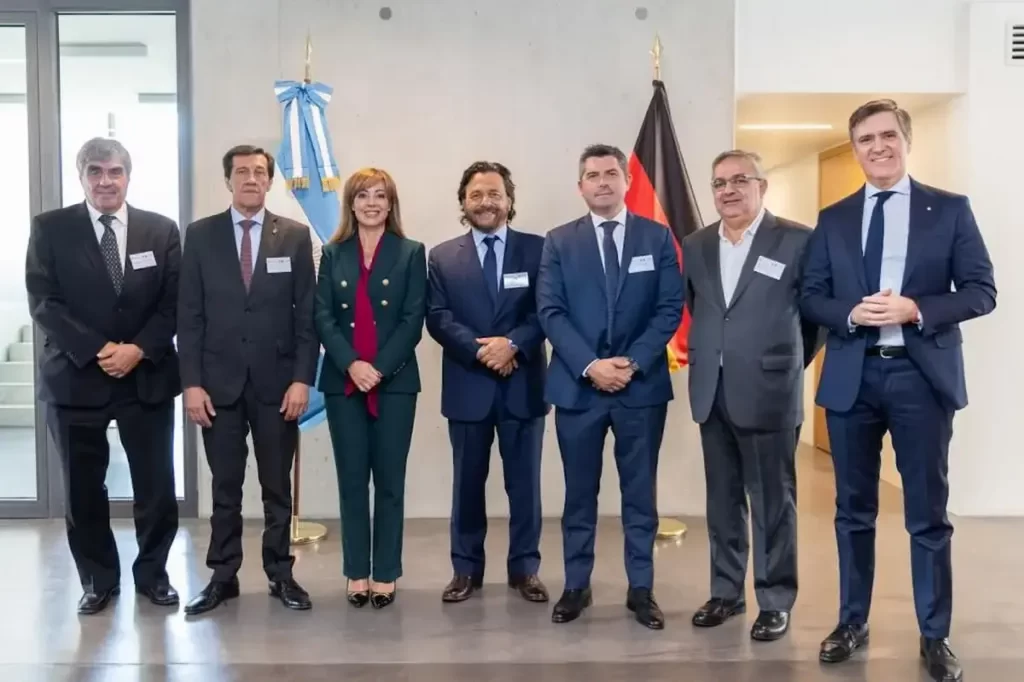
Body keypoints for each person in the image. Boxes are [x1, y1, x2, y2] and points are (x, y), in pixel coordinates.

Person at [800, 99, 996, 682]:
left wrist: (917, 309)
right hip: (852, 376)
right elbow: (811, 296)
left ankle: (934, 635)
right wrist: (849, 313)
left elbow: (981, 290)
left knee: (927, 514)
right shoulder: (833, 217)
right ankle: (851, 622)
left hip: (920, 377)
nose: (878, 147)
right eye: (866, 139)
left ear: (906, 141)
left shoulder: (949, 210)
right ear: (855, 148)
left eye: (888, 135)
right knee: (852, 511)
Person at [25, 137, 182, 615]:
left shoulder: (161, 230)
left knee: (155, 487)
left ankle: (153, 575)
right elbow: (44, 302)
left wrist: (137, 349)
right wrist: (99, 348)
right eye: (95, 171)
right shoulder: (51, 228)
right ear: (81, 177)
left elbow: (175, 302)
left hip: (145, 376)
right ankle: (97, 580)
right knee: (83, 491)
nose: (105, 181)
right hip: (76, 379)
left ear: (128, 176)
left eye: (114, 171)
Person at [536, 143, 683, 629]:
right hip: (578, 389)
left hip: (641, 389)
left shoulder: (657, 237)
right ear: (580, 186)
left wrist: (633, 363)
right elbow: (550, 312)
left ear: (627, 181)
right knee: (579, 494)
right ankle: (576, 585)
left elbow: (669, 308)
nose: (602, 182)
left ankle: (641, 589)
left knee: (640, 495)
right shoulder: (559, 242)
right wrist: (590, 365)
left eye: (610, 173)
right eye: (593, 175)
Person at [682, 149, 824, 642]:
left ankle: (775, 599)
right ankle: (726, 592)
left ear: (762, 186)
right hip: (712, 390)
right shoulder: (697, 244)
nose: (729, 190)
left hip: (769, 391)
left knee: (773, 502)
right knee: (722, 501)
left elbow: (815, 319)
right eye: (720, 183)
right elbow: (699, 308)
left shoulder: (798, 240)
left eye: (740, 180)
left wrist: (781, 362)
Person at [178, 145, 318, 615]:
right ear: (228, 180)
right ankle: (223, 576)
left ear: (270, 181)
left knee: (277, 488)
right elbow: (189, 317)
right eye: (242, 172)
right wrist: (191, 383)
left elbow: (307, 318)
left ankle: (281, 573)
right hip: (216, 388)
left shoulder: (294, 236)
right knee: (225, 488)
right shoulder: (200, 236)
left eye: (260, 171)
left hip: (278, 388)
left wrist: (302, 380)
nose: (251, 179)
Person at [426, 161, 549, 604]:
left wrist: (512, 344)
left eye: (494, 193)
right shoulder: (442, 256)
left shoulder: (538, 249)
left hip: (523, 386)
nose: (485, 202)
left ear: (509, 200)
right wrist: (482, 351)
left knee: (525, 487)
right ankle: (465, 570)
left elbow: (547, 310)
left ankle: (525, 569)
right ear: (463, 202)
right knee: (467, 485)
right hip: (468, 385)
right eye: (476, 194)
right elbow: (437, 317)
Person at [314, 167, 426, 609]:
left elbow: (413, 319)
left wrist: (377, 369)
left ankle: (385, 574)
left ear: (391, 203)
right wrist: (352, 365)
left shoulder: (411, 252)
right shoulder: (332, 252)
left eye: (381, 195)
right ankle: (357, 572)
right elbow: (323, 316)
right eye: (363, 196)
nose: (372, 203)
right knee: (352, 481)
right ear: (351, 203)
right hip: (343, 384)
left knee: (391, 482)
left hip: (395, 383)